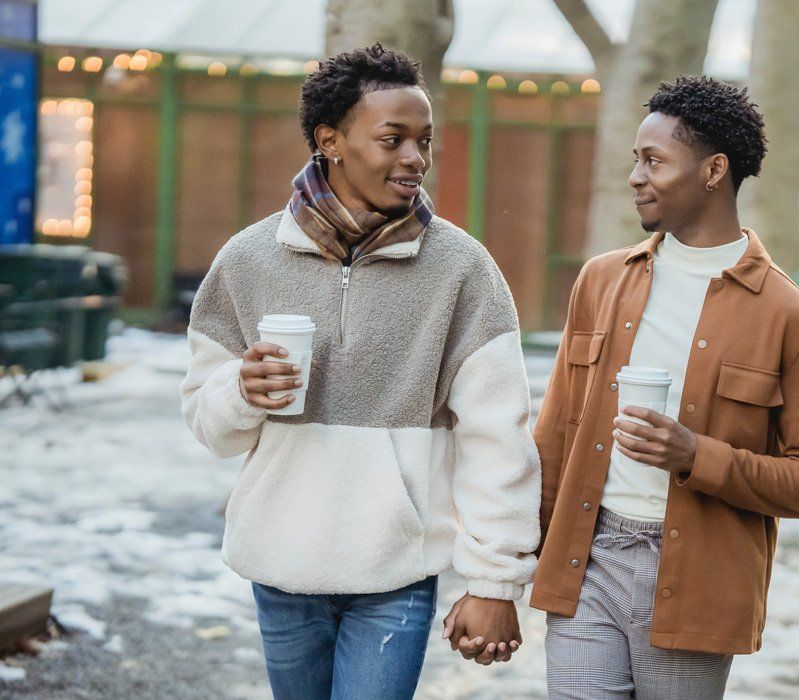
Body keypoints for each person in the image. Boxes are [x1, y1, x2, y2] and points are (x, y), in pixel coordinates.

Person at [179, 44, 539, 699]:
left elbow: (498, 437)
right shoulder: (247, 262)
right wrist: (239, 392)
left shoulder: (462, 271)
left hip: (396, 573)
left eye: (424, 141)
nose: (415, 159)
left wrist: (495, 581)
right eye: (392, 139)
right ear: (331, 141)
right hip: (281, 568)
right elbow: (210, 427)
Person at [530, 76, 799, 700]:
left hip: (698, 582)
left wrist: (695, 456)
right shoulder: (600, 281)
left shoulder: (791, 317)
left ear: (713, 170)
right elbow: (554, 438)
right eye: (635, 160)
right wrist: (502, 576)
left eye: (655, 161)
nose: (636, 176)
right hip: (583, 559)